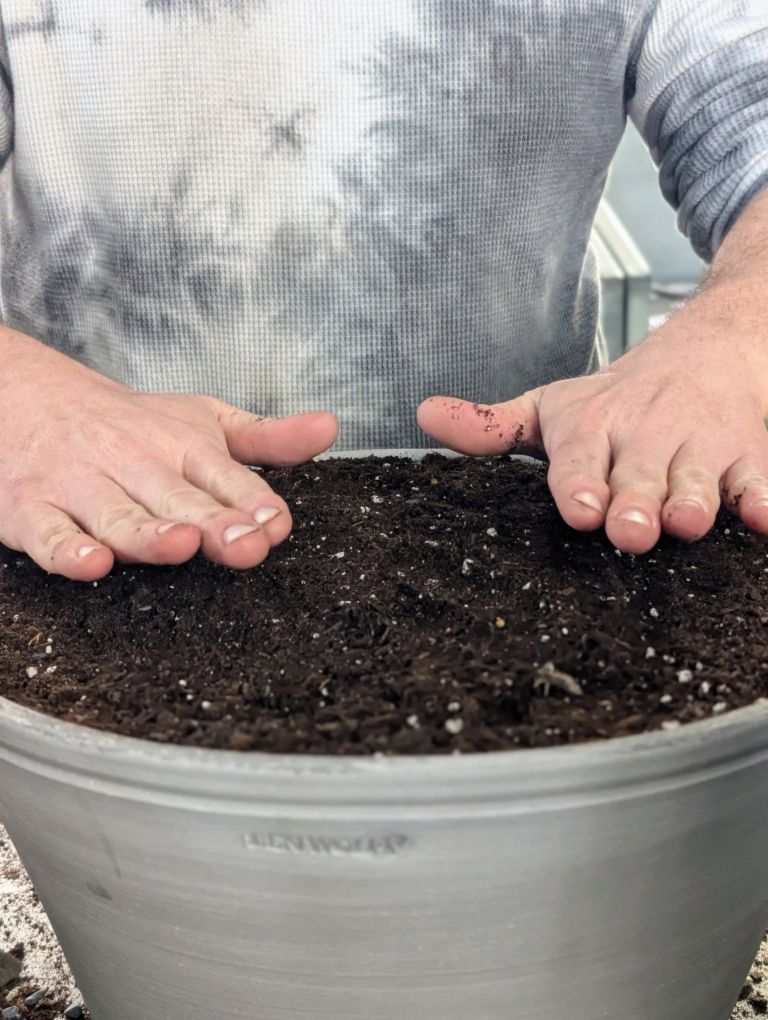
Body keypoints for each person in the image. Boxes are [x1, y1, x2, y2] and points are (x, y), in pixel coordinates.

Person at [0, 0, 766, 581]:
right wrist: (22, 396)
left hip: (541, 523)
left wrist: (729, 339)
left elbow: (747, 116)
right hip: (81, 504)